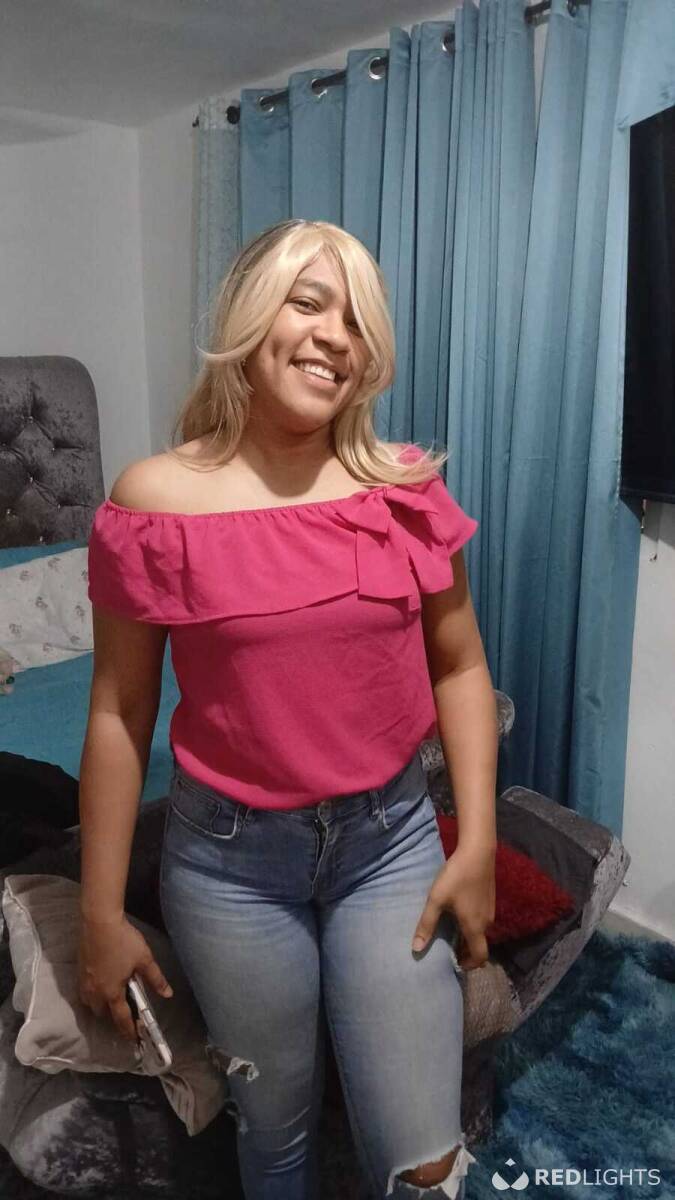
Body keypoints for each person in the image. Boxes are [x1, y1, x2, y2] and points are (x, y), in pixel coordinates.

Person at [77, 218, 498, 1200]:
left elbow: (461, 667)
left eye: (357, 320)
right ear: (249, 316)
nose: (335, 336)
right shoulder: (155, 500)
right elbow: (120, 712)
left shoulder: (403, 488)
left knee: (426, 1159)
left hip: (390, 846)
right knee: (273, 1132)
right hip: (228, 868)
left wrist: (477, 839)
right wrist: (99, 913)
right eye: (309, 303)